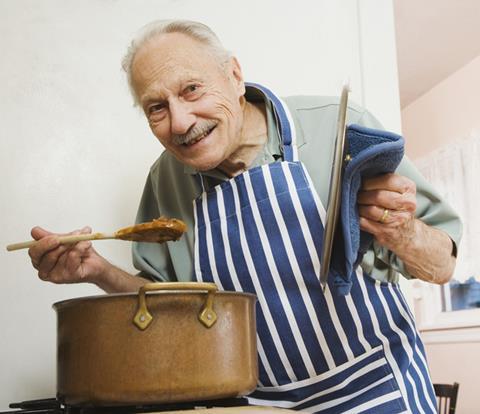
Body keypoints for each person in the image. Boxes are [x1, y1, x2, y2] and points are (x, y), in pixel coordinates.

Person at [28, 20, 461, 413]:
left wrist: (402, 232)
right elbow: (167, 307)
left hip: (377, 392)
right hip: (257, 406)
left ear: (234, 75)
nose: (180, 123)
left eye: (192, 89)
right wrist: (97, 270)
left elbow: (442, 266)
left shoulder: (339, 129)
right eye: (156, 108)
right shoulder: (166, 181)